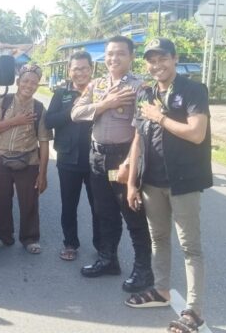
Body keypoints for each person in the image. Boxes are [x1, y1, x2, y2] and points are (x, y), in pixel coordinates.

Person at [124, 38, 212, 333]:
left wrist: (160, 117)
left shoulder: (193, 90)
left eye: (162, 58)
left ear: (175, 59)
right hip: (151, 181)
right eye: (151, 60)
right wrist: (132, 183)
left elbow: (196, 133)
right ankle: (161, 291)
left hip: (183, 181)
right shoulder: (145, 93)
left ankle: (194, 311)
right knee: (158, 239)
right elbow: (138, 138)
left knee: (191, 247)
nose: (156, 65)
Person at [70, 35, 153, 293]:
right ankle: (108, 260)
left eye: (120, 54)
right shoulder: (96, 84)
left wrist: (130, 163)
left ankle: (143, 270)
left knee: (132, 214)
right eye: (109, 54)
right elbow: (75, 113)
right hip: (97, 156)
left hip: (122, 158)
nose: (113, 58)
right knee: (104, 212)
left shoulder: (140, 87)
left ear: (131, 57)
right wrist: (106, 104)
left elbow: (142, 126)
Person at [0, 64, 53, 254]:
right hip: (1, 159)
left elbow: (44, 142)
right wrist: (15, 121)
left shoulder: (39, 108)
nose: (29, 85)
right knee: (2, 199)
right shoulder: (3, 102)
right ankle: (4, 237)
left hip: (29, 161)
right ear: (18, 82)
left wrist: (43, 174)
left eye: (33, 83)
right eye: (25, 81)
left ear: (37, 86)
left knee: (29, 201)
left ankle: (30, 239)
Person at [44, 51, 99, 261]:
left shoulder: (100, 91)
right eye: (76, 69)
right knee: (69, 205)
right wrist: (73, 111)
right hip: (68, 159)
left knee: (99, 206)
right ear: (69, 71)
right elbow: (49, 121)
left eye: (84, 68)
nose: (80, 73)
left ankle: (102, 245)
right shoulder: (61, 94)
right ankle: (70, 243)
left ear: (91, 69)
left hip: (96, 159)